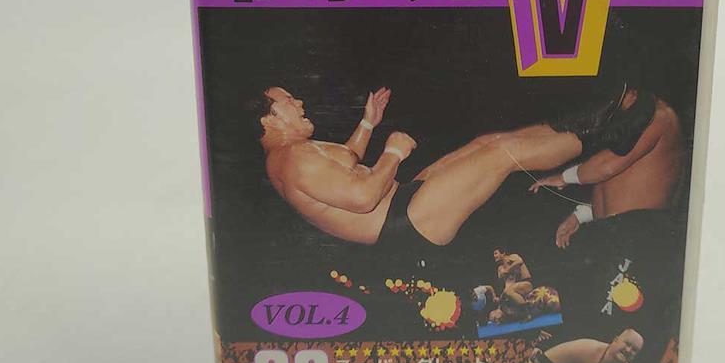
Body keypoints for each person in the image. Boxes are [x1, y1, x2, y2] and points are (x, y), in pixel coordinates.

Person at [256, 84, 603, 271]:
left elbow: (345, 160)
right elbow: (363, 198)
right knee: (501, 154)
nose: (299, 102)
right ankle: (604, 135)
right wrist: (393, 153)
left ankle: (581, 125)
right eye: (288, 100)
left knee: (487, 143)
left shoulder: (289, 156)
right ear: (269, 120)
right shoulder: (293, 158)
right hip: (403, 222)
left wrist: (368, 123)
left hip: (402, 208)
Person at [528, 87, 684, 249]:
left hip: (636, 234)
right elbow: (627, 182)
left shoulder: (661, 116)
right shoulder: (636, 116)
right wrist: (581, 215)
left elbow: (606, 167)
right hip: (613, 232)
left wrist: (563, 177)